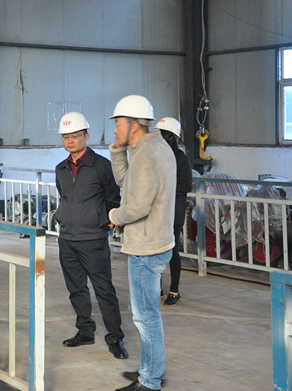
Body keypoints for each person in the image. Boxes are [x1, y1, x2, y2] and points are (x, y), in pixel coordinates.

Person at [108, 95, 176, 391]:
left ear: (133, 124)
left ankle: (150, 380)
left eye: (118, 124)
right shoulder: (152, 148)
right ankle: (150, 369)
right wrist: (117, 151)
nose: (114, 129)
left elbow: (137, 206)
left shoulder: (147, 155)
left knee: (145, 316)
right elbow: (127, 182)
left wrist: (114, 215)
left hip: (146, 247)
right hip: (156, 242)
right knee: (146, 314)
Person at [54, 111, 127, 359]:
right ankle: (85, 330)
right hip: (67, 238)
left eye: (75, 136)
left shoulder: (102, 166)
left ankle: (115, 337)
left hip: (93, 238)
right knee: (76, 288)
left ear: (86, 136)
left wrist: (102, 223)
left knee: (103, 289)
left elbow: (113, 198)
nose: (70, 141)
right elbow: (64, 196)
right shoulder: (61, 168)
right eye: (66, 137)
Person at [155, 117, 193, 306]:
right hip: (157, 213)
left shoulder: (180, 158)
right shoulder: (156, 157)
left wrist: (164, 188)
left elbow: (186, 185)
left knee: (172, 252)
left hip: (173, 213)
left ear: (171, 137)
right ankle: (158, 289)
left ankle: (174, 290)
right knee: (156, 252)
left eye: (162, 135)